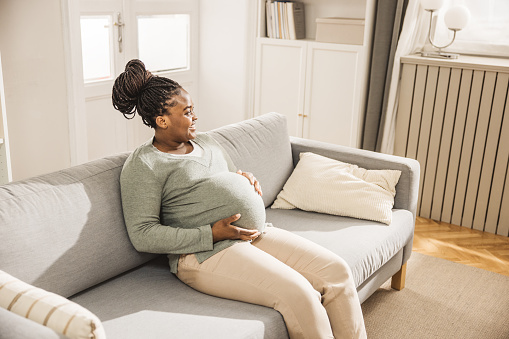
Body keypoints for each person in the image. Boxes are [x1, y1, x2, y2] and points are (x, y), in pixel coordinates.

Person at [112, 59, 367, 339]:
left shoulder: (205, 142)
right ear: (162, 120)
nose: (194, 117)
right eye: (187, 112)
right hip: (204, 254)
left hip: (254, 234)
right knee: (301, 294)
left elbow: (230, 175)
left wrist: (245, 179)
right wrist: (209, 234)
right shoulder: (144, 165)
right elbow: (143, 234)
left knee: (336, 272)